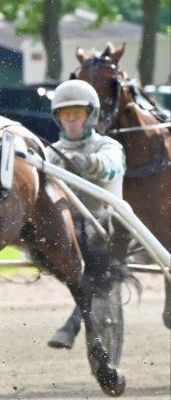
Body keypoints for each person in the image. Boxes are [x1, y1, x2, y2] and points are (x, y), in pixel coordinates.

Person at [45, 78, 126, 350]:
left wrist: (89, 162)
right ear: (58, 118)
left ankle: (73, 324)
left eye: (77, 114)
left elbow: (111, 167)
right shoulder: (49, 154)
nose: (71, 120)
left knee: (91, 246)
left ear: (90, 116)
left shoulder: (108, 146)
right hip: (65, 227)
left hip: (103, 225)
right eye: (66, 115)